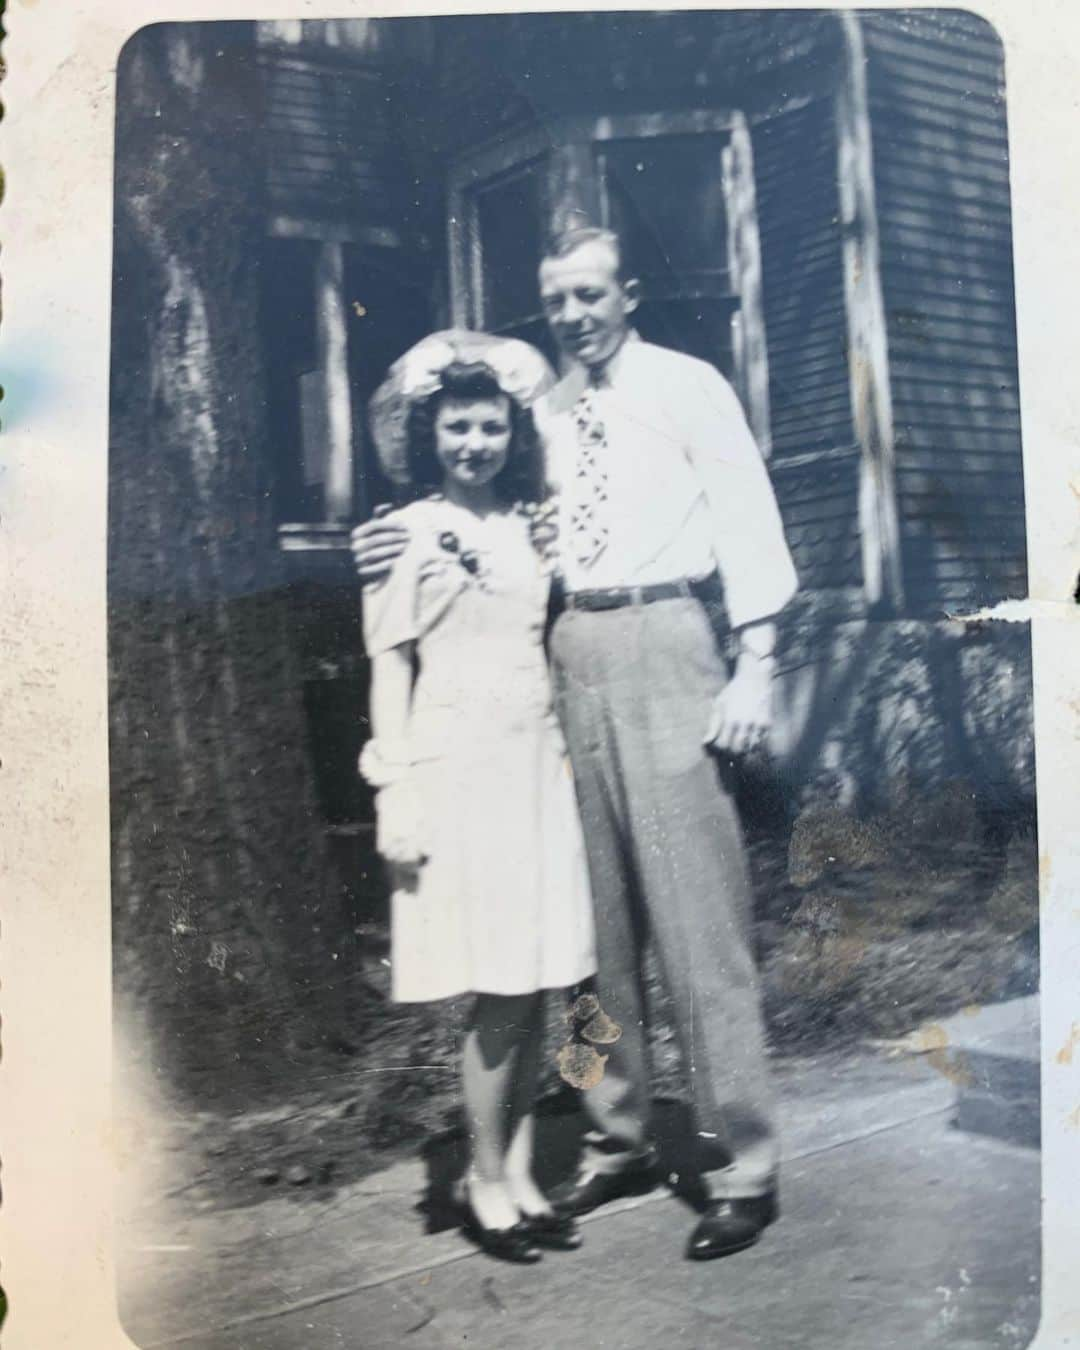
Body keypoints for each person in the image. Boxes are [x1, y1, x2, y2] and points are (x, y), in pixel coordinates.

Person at [354, 228, 798, 1262]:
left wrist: (758, 661)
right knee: (584, 931)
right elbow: (476, 513)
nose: (575, 315)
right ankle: (621, 1130)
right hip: (562, 655)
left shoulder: (689, 387)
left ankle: (745, 1159)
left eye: (592, 295)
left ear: (628, 293)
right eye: (558, 300)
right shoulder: (539, 413)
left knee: (696, 918)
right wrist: (377, 535)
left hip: (666, 638)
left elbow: (748, 516)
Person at [358, 332, 596, 1264]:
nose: (474, 442)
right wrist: (396, 791)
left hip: (535, 762)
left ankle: (522, 1171)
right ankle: (479, 1180)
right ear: (432, 433)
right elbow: (388, 671)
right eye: (457, 425)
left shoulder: (533, 526)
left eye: (490, 425)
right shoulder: (401, 533)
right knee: (496, 987)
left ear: (511, 431)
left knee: (539, 980)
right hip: (458, 768)